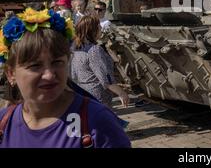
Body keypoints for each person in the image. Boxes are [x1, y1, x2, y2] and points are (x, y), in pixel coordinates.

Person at [0, 8, 131, 148]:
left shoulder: (97, 122)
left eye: (57, 62)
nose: (49, 75)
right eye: (35, 65)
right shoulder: (4, 123)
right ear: (11, 74)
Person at [70, 15, 129, 108]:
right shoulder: (94, 50)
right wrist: (121, 93)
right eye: (98, 26)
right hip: (97, 96)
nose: (101, 27)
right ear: (92, 30)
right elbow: (105, 77)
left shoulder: (75, 47)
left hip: (82, 92)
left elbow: (73, 74)